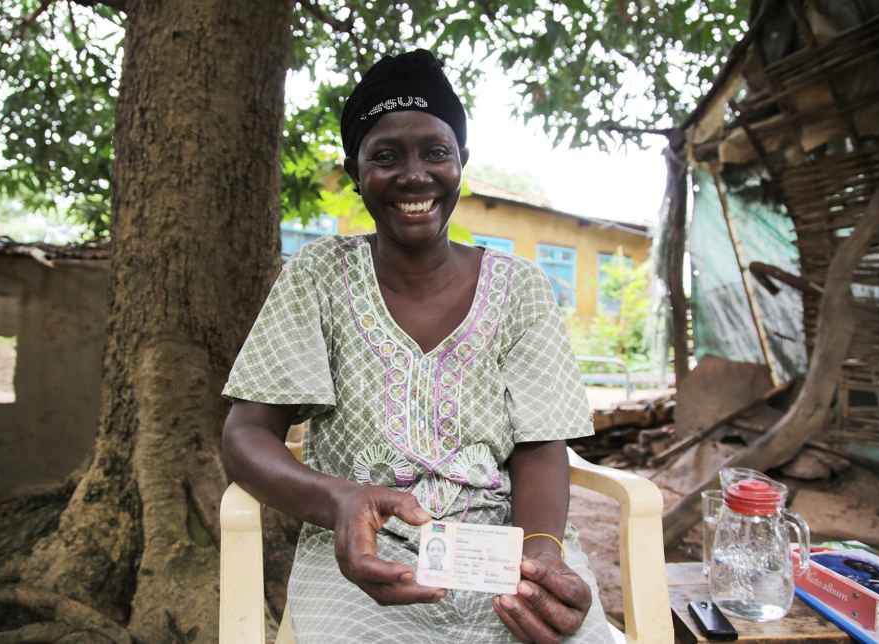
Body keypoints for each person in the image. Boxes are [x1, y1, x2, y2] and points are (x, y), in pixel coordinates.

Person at [222, 49, 614, 644]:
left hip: (501, 546)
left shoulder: (521, 287)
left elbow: (539, 445)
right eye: (385, 156)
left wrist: (542, 557)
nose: (414, 175)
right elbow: (245, 433)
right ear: (356, 172)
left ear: (460, 163)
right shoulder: (318, 276)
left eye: (436, 151)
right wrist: (339, 500)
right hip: (362, 548)